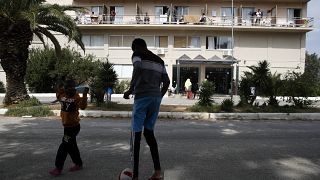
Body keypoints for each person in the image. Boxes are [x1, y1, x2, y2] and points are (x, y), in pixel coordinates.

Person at [123, 38, 170, 180]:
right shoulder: (159, 60)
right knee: (149, 134)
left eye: (133, 49)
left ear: (136, 47)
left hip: (142, 97)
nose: (133, 52)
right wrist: (159, 96)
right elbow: (166, 81)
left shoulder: (137, 54)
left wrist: (131, 89)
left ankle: (135, 176)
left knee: (136, 136)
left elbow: (137, 68)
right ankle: (158, 172)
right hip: (155, 99)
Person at [49, 80, 88, 176]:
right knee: (72, 146)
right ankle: (78, 164)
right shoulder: (62, 95)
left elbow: (82, 107)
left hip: (74, 127)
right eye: (67, 88)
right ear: (64, 89)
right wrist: (61, 85)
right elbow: (58, 88)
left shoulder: (76, 98)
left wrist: (85, 95)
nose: (69, 90)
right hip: (66, 127)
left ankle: (58, 168)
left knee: (64, 146)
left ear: (75, 89)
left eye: (71, 88)